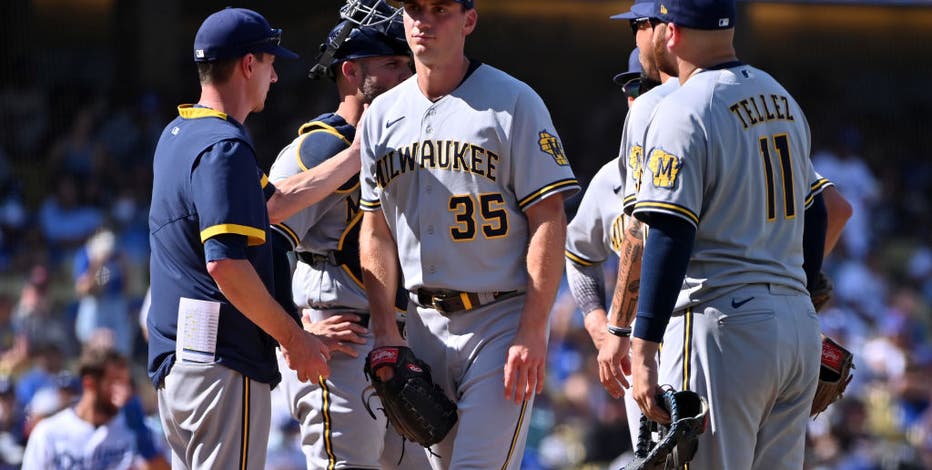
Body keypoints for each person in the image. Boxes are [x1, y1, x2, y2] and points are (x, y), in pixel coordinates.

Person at [358, 0, 580, 467]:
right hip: (421, 326)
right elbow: (375, 229)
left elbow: (549, 217)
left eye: (440, 8)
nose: (424, 21)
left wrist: (533, 328)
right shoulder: (381, 115)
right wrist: (384, 329)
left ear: (469, 20)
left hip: (498, 320)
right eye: (415, 8)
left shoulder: (514, 101)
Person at [623, 1, 829, 468]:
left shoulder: (684, 109)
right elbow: (817, 212)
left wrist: (643, 348)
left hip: (724, 327)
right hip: (797, 328)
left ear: (670, 32)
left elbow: (670, 231)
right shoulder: (782, 99)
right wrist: (799, 297)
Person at [146, 8, 333, 469]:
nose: (274, 76)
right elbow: (225, 264)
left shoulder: (180, 134)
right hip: (222, 364)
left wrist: (355, 157)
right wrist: (295, 338)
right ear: (249, 64)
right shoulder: (225, 146)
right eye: (271, 63)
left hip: (182, 363)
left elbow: (272, 203)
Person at [267, 9, 428, 468]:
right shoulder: (322, 147)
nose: (406, 72)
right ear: (351, 71)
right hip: (340, 337)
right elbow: (260, 241)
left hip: (398, 337)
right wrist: (295, 331)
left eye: (407, 61)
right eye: (392, 63)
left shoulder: (405, 144)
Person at [21, 348, 136, 469]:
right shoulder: (48, 433)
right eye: (115, 382)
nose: (124, 392)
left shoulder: (133, 430)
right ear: (89, 383)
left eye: (126, 383)